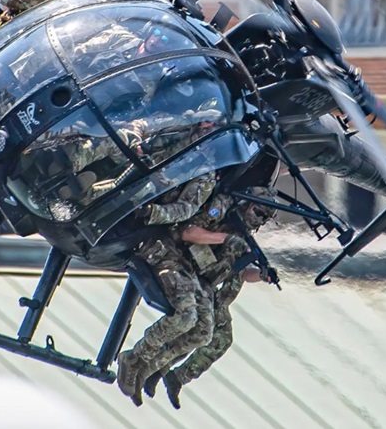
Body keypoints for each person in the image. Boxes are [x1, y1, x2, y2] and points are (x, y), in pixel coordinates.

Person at [142, 187, 278, 409]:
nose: (259, 221)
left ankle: (174, 376)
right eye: (259, 213)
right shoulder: (222, 209)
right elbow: (188, 232)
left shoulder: (243, 236)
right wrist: (225, 238)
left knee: (220, 338)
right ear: (249, 204)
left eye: (265, 218)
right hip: (186, 269)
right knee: (198, 327)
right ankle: (153, 367)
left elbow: (241, 272)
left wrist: (263, 275)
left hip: (211, 287)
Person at [115, 171, 218, 407]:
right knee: (186, 317)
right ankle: (135, 358)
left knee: (204, 331)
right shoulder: (203, 164)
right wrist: (152, 212)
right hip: (154, 242)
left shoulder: (214, 175)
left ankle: (147, 370)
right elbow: (185, 215)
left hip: (175, 252)